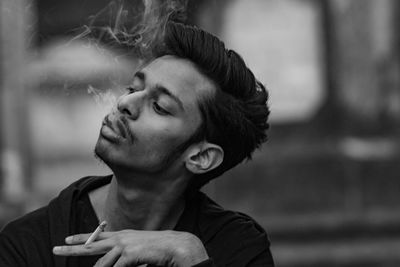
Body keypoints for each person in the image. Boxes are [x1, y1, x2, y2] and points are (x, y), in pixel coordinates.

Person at [0, 21, 273, 267]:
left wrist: (190, 257)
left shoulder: (237, 249)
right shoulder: (28, 245)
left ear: (201, 157)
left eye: (159, 106)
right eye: (133, 89)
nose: (124, 103)